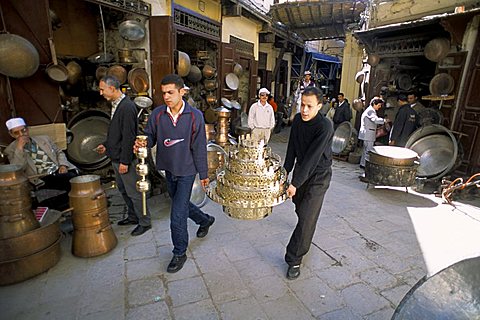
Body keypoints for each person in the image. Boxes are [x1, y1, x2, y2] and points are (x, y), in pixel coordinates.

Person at [135, 74, 214, 273]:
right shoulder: (158, 115)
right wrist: (143, 142)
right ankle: (205, 220)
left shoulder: (195, 116)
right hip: (168, 169)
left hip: (187, 170)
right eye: (164, 93)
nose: (167, 97)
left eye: (171, 92)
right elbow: (150, 137)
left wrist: (203, 174)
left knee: (177, 214)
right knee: (182, 203)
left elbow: (199, 147)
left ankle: (179, 252)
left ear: (182, 92)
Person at [283, 86, 333, 280]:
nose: (304, 110)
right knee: (299, 207)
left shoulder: (325, 126)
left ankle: (294, 259)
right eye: (302, 105)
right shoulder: (297, 120)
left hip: (318, 176)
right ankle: (304, 226)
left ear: (319, 106)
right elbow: (292, 148)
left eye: (309, 106)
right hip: (302, 171)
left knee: (306, 218)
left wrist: (294, 183)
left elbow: (313, 158)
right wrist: (284, 172)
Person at [96, 75, 151, 237]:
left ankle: (144, 222)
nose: (101, 93)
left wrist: (125, 161)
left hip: (124, 159)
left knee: (134, 192)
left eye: (102, 89)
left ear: (112, 89)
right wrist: (105, 145)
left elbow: (128, 136)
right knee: (123, 190)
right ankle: (133, 217)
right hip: (116, 157)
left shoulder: (127, 107)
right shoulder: (116, 105)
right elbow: (116, 132)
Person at [4, 117, 78, 210]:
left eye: (23, 130)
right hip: (42, 177)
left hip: (58, 170)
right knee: (70, 182)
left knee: (73, 179)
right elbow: (18, 168)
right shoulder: (10, 150)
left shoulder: (44, 139)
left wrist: (63, 165)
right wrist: (19, 149)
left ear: (27, 129)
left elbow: (59, 152)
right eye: (16, 133)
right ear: (11, 134)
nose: (21, 134)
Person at [359, 98, 386, 171]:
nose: (379, 107)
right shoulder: (371, 111)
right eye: (379, 105)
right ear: (374, 104)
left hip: (367, 133)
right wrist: (384, 120)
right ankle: (365, 165)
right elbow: (375, 120)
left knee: (365, 150)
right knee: (368, 150)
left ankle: (363, 164)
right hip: (368, 133)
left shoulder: (369, 110)